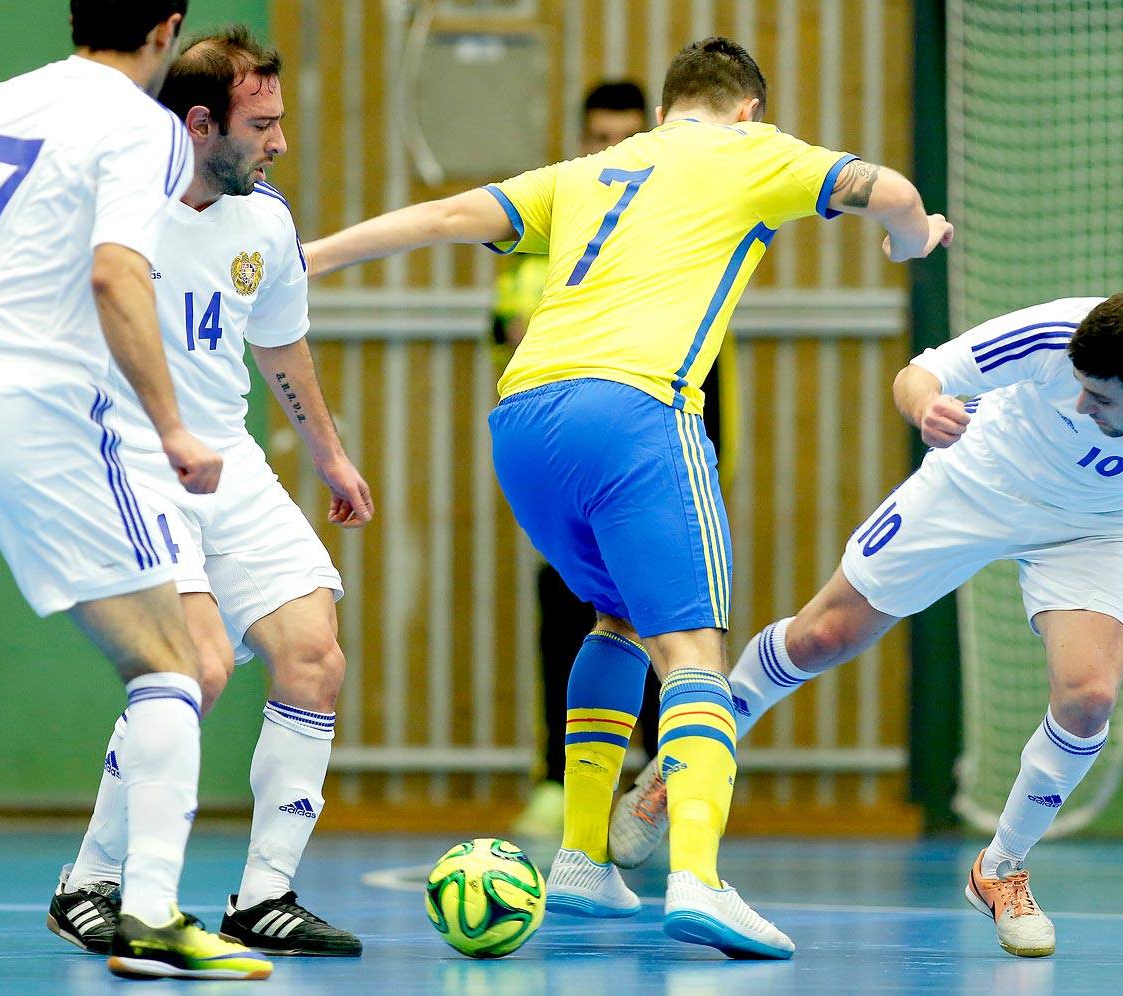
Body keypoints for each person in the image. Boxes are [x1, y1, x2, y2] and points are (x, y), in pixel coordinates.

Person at [303, 35, 951, 959]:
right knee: (692, 652)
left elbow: (446, 214)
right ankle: (698, 876)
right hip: (637, 413)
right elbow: (884, 187)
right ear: (748, 112)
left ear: (659, 113)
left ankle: (580, 856)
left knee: (610, 619)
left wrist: (309, 259)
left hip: (522, 421)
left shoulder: (589, 171)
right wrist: (912, 236)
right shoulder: (751, 150)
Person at [609, 291, 1123, 958]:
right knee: (824, 636)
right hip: (977, 482)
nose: (1081, 404)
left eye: (1100, 398)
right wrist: (926, 406)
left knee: (1088, 696)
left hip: (1098, 525)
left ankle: (1001, 868)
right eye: (1078, 386)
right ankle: (681, 769)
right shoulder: (1058, 333)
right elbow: (922, 372)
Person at [46, 26, 371, 960]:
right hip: (130, 457)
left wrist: (330, 457)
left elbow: (280, 342)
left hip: (226, 458)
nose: (278, 143)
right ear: (198, 123)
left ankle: (264, 895)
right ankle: (96, 883)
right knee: (198, 668)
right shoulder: (116, 205)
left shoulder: (265, 219)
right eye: (261, 124)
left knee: (314, 655)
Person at [0, 1, 273, 982]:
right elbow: (116, 277)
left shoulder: (0, 101)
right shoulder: (139, 124)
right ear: (169, 25)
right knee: (178, 661)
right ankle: (146, 912)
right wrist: (172, 425)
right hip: (43, 407)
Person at [500, 79, 736, 841]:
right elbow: (503, 323)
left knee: (667, 620)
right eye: (600, 132)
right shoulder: (561, 219)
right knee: (580, 617)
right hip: (564, 440)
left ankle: (659, 776)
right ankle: (566, 787)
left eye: (626, 132)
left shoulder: (691, 216)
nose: (614, 146)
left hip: (656, 431)